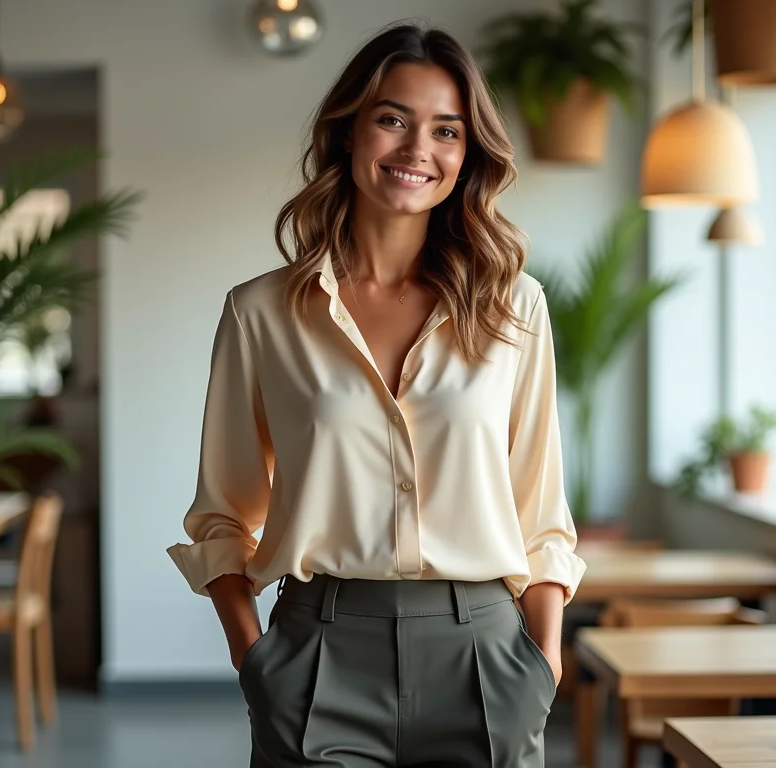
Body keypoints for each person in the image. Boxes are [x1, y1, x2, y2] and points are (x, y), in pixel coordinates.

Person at [167, 21, 586, 768]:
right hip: (317, 656)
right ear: (349, 132)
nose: (417, 149)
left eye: (446, 130)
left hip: (486, 662)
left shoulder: (515, 307)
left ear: (468, 153)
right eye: (393, 118)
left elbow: (541, 516)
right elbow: (224, 514)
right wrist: (255, 660)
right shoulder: (259, 312)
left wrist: (543, 664)